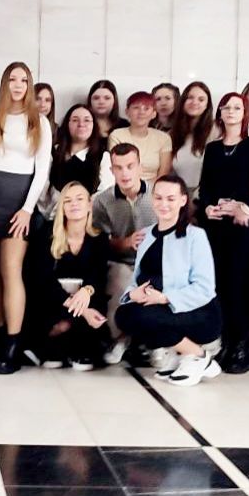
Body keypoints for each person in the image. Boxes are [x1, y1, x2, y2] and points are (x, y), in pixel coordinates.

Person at [0, 62, 53, 374]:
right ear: (5, 84)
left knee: (10, 269)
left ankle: (13, 343)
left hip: (19, 204)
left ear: (29, 85)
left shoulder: (39, 121)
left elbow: (41, 171)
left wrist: (27, 209)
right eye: (12, 79)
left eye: (23, 80)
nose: (18, 85)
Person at [116, 175, 223, 387]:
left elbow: (205, 288)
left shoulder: (195, 236)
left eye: (171, 199)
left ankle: (197, 355)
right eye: (158, 198)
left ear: (183, 200)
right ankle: (180, 352)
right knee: (124, 315)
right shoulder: (146, 235)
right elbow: (138, 278)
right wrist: (132, 294)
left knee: (144, 317)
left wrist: (165, 298)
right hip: (159, 310)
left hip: (199, 312)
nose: (163, 204)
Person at [196, 92, 249, 374]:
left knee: (237, 285)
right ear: (220, 114)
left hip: (239, 225)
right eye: (226, 107)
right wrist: (207, 208)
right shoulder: (213, 149)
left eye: (237, 107)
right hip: (214, 225)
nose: (231, 112)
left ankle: (240, 345)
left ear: (244, 114)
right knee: (216, 285)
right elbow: (205, 188)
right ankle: (222, 342)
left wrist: (245, 208)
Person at [24, 181, 111, 370]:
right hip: (54, 301)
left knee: (95, 318)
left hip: (85, 300)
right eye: (68, 201)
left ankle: (68, 342)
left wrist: (87, 291)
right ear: (62, 207)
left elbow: (98, 276)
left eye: (79, 199)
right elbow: (42, 280)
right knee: (53, 318)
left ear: (89, 205)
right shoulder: (47, 234)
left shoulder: (100, 238)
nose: (74, 204)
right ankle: (56, 340)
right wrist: (81, 309)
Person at [92, 143, 158, 365]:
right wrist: (125, 242)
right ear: (112, 170)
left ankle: (158, 343)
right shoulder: (102, 201)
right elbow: (100, 243)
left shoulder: (157, 195)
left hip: (155, 264)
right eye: (118, 168)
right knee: (118, 284)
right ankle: (121, 339)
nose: (125, 173)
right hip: (120, 261)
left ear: (140, 167)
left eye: (130, 166)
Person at [39, 104, 111, 221]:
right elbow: (43, 188)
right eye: (75, 120)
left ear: (94, 125)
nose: (81, 124)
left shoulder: (103, 156)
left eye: (87, 120)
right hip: (54, 218)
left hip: (91, 220)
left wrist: (81, 211)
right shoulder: (53, 153)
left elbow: (106, 191)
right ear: (67, 124)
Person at [109, 91, 173, 179]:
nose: (141, 112)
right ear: (127, 112)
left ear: (154, 114)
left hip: (156, 185)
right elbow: (117, 168)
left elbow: (164, 172)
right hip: (125, 183)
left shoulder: (163, 138)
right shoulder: (117, 135)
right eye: (136, 108)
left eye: (146, 108)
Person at [169, 82, 214, 195]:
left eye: (201, 99)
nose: (195, 102)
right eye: (190, 98)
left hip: (206, 195)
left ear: (207, 105)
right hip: (178, 195)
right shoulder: (172, 134)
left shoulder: (216, 132)